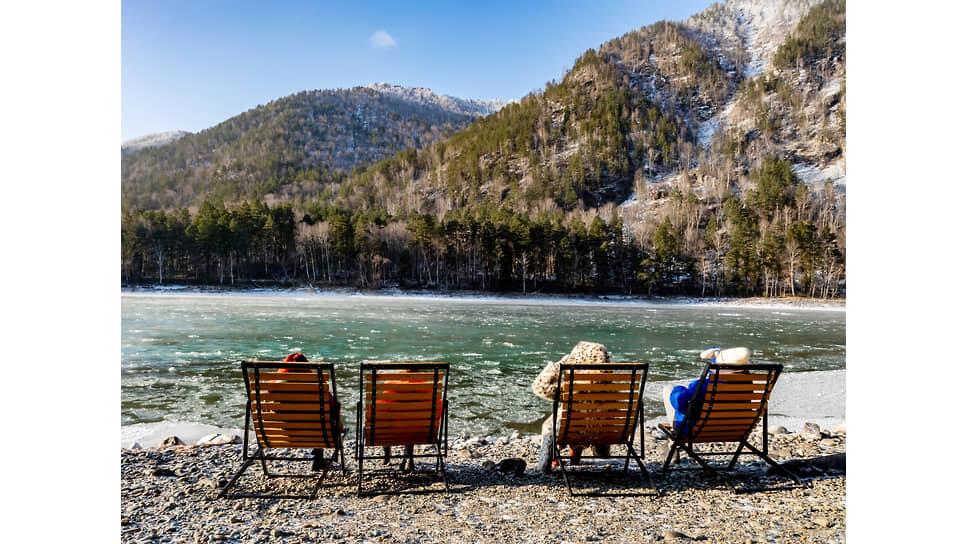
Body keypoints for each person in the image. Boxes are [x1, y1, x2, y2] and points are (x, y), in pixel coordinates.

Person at [533, 341, 613, 474]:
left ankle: (547, 463)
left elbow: (540, 387)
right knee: (587, 416)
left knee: (553, 424)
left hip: (572, 428)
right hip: (604, 430)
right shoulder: (614, 390)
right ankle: (576, 455)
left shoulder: (571, 391)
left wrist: (558, 365)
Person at [663, 346, 751, 433]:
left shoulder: (707, 385)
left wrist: (678, 389)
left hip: (697, 430)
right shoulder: (748, 383)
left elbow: (680, 404)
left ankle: (676, 442)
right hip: (736, 430)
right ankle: (675, 443)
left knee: (669, 390)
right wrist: (717, 357)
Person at [279, 353, 335, 471]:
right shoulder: (318, 386)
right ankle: (317, 458)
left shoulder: (274, 388)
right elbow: (333, 406)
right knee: (317, 423)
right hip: (314, 433)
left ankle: (317, 458)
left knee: (312, 423)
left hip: (282, 434)